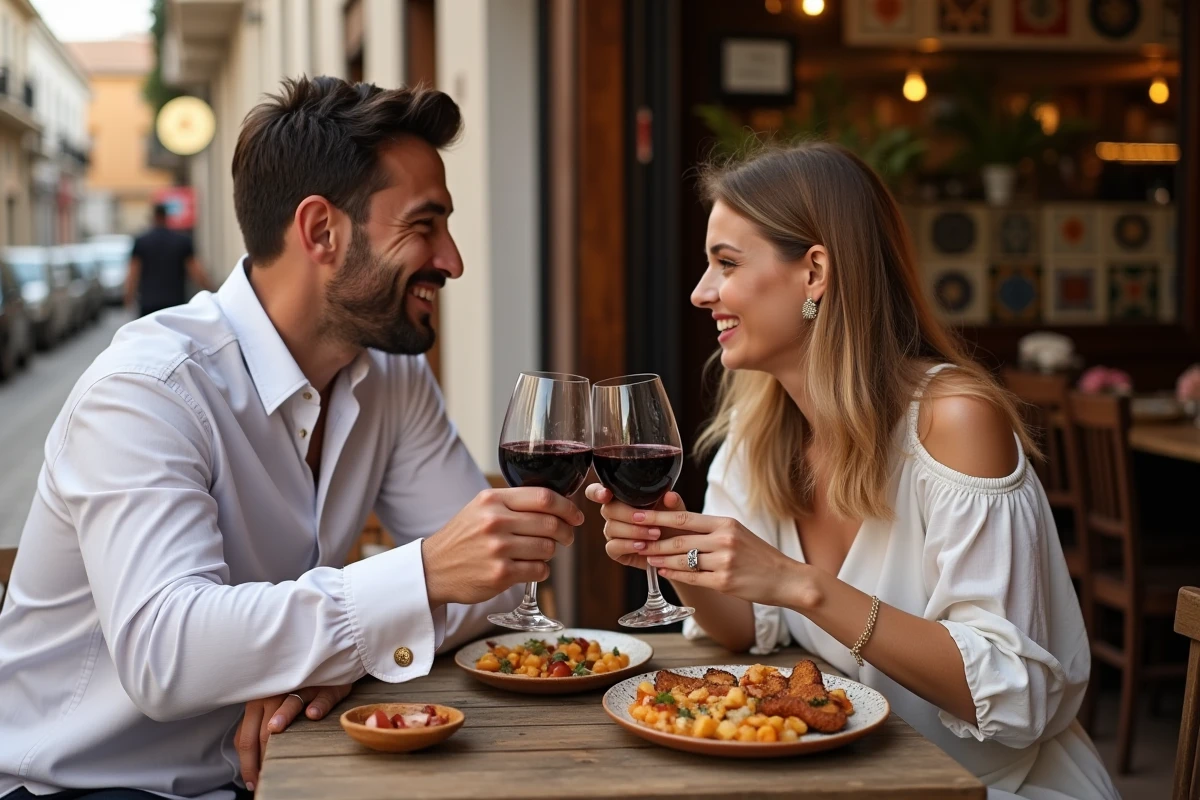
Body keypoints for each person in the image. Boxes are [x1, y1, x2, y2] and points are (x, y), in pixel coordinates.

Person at [0, 76, 582, 800]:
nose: (453, 260)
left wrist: (342, 655)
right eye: (423, 225)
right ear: (320, 232)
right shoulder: (149, 388)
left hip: (282, 773)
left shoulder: (392, 375)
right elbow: (168, 653)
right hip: (92, 786)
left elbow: (497, 589)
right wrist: (418, 579)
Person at [588, 143, 1119, 800]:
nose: (702, 293)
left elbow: (1019, 697)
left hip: (992, 787)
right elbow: (745, 630)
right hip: (851, 780)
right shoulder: (760, 431)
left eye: (725, 263)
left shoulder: (954, 420)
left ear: (814, 272)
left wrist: (800, 585)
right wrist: (677, 555)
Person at [125, 203, 214, 316]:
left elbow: (133, 273)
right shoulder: (181, 241)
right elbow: (196, 271)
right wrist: (211, 290)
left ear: (153, 217)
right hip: (175, 303)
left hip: (148, 303)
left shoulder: (141, 242)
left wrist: (128, 297)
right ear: (166, 217)